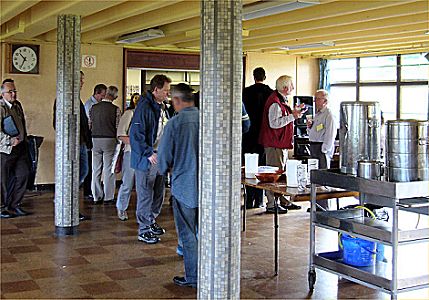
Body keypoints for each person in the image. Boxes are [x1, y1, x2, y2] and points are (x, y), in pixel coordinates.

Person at [158, 83, 199, 288]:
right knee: (205, 231)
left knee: (188, 233)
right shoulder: (206, 119)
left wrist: (162, 171)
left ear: (176, 100)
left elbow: (164, 156)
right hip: (208, 187)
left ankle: (193, 276)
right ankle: (210, 270)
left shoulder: (174, 123)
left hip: (184, 185)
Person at [129, 74, 171, 244]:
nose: (168, 93)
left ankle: (151, 220)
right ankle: (144, 228)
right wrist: (148, 153)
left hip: (160, 155)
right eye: (166, 90)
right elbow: (135, 135)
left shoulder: (162, 107)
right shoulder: (144, 107)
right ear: (156, 90)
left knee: (159, 193)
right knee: (145, 193)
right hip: (147, 158)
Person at [259, 75, 306, 214]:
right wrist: (293, 116)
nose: (293, 88)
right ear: (285, 88)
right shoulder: (275, 102)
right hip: (274, 144)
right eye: (291, 85)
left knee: (282, 174)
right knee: (273, 175)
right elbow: (274, 123)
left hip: (280, 143)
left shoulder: (281, 100)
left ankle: (282, 200)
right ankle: (272, 203)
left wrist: (294, 112)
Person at [52, 71, 92, 221]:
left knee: (83, 171)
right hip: (72, 144)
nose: (82, 83)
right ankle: (65, 200)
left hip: (80, 142)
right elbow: (59, 123)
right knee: (75, 174)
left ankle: (67, 198)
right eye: (80, 80)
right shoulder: (64, 98)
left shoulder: (77, 100)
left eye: (82, 80)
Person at [242, 67, 273, 208]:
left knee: (249, 167)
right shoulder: (270, 93)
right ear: (265, 77)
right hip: (263, 135)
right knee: (261, 168)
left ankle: (249, 200)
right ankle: (259, 200)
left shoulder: (245, 92)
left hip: (248, 135)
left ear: (253, 76)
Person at [0, 79, 30, 218]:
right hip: (5, 150)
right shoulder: (0, 108)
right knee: (3, 180)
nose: (13, 94)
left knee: (23, 174)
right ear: (2, 94)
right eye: (10, 92)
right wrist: (9, 140)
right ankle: (2, 208)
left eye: (14, 91)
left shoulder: (17, 105)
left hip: (21, 148)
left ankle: (15, 204)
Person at [89, 85, 121, 204]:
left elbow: (90, 125)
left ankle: (96, 195)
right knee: (109, 169)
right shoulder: (115, 109)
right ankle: (108, 196)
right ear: (115, 96)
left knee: (96, 169)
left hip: (95, 139)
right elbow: (118, 127)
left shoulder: (93, 107)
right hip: (109, 140)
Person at [307, 89, 336, 210]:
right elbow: (314, 131)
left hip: (322, 148)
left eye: (317, 99)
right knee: (314, 176)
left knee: (323, 178)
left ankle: (323, 206)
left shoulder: (329, 114)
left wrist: (325, 149)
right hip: (314, 146)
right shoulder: (318, 114)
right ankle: (315, 205)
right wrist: (309, 127)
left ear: (325, 101)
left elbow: (330, 133)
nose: (315, 101)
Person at [115, 96, 139, 221]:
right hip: (131, 152)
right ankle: (121, 207)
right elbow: (120, 134)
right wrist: (136, 143)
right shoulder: (130, 114)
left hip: (145, 153)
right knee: (128, 182)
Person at [83, 84, 107, 200]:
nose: (103, 99)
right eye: (102, 96)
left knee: (94, 167)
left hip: (94, 137)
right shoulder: (90, 105)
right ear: (97, 93)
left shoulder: (95, 105)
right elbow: (89, 123)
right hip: (91, 138)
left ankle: (92, 191)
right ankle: (88, 191)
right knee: (90, 166)